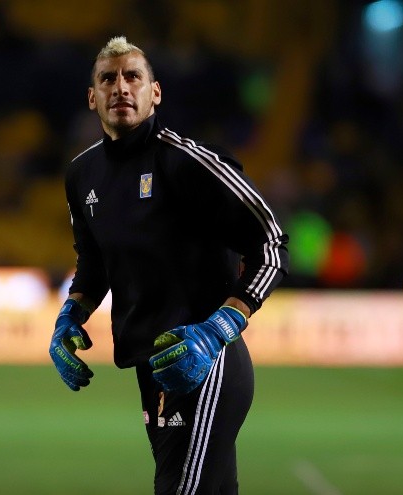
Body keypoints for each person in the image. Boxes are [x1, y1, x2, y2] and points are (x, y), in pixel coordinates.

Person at [49, 36, 289, 494]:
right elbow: (93, 262)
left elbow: (272, 244)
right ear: (92, 97)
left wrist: (217, 329)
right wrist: (69, 315)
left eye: (133, 76)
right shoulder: (81, 175)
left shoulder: (188, 162)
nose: (121, 87)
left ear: (154, 92)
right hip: (152, 368)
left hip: (209, 364)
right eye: (108, 78)